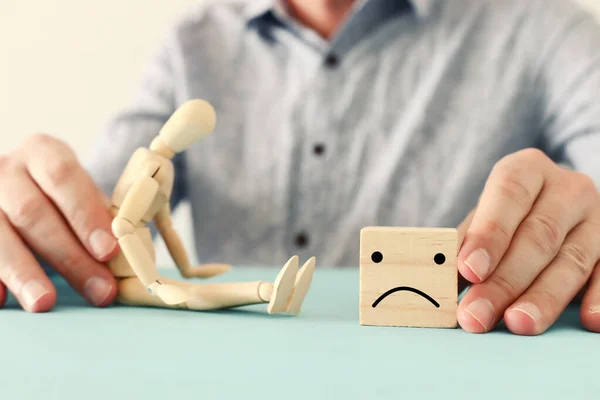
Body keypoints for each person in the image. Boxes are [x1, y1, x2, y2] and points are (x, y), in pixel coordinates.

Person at [0, 0, 599, 336]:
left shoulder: (546, 31)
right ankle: (259, 289)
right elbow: (100, 217)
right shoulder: (193, 42)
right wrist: (31, 213)